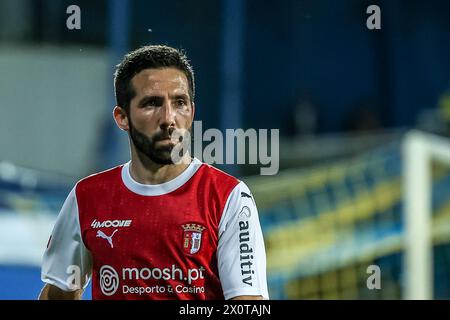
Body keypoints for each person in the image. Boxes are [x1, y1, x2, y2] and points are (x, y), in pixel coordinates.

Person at [38, 45, 269, 300]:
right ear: (122, 117)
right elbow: (58, 293)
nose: (168, 118)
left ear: (191, 112)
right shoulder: (87, 197)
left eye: (179, 102)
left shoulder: (229, 197)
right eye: (152, 103)